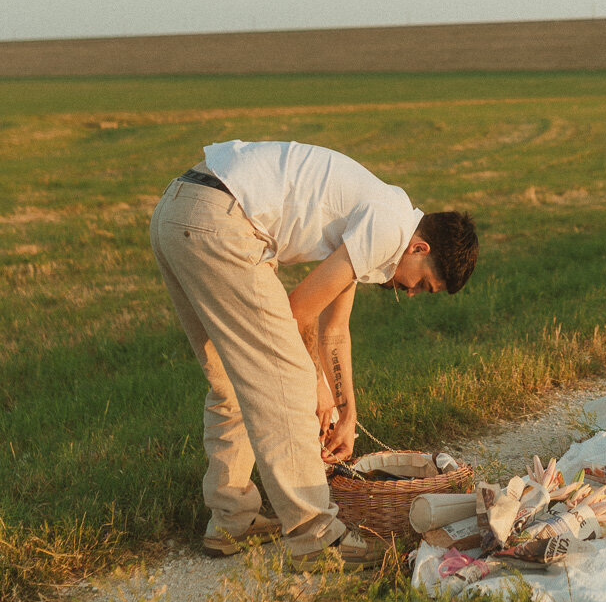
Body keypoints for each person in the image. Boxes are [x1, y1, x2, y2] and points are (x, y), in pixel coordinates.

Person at [149, 139, 478, 569]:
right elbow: (298, 310)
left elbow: (334, 331)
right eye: (422, 284)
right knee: (285, 381)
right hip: (222, 224)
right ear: (420, 249)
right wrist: (316, 388)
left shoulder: (386, 212)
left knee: (233, 379)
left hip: (179, 211)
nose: (412, 293)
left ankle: (231, 521)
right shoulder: (389, 230)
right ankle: (315, 537)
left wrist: (347, 412)